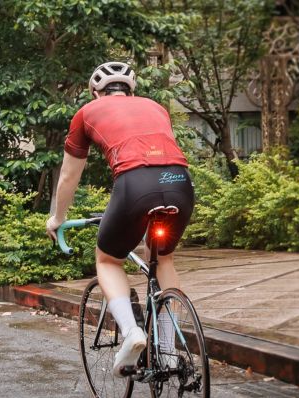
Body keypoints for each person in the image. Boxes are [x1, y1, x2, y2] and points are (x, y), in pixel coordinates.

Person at [45, 62, 194, 376]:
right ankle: (167, 351)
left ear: (96, 93)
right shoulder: (155, 107)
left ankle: (131, 333)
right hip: (179, 182)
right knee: (163, 259)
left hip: (134, 185)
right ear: (132, 91)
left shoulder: (87, 112)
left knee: (108, 261)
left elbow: (68, 178)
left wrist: (57, 219)